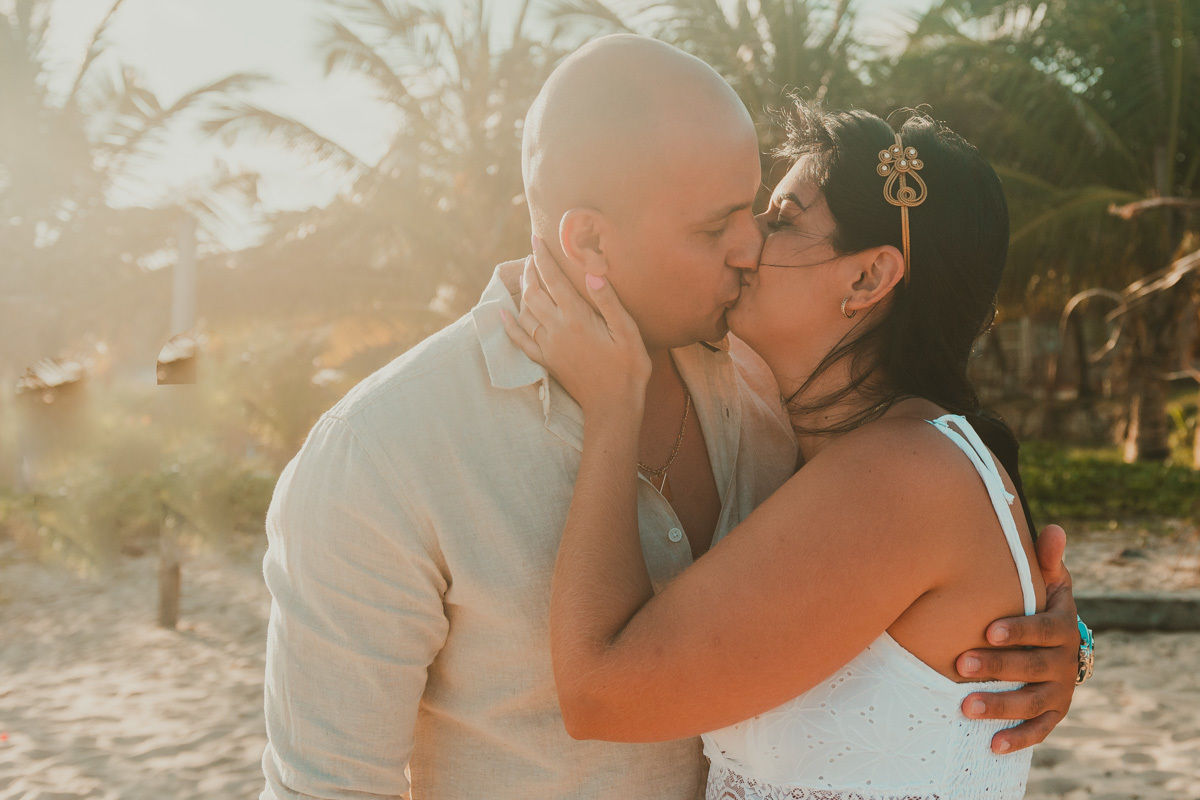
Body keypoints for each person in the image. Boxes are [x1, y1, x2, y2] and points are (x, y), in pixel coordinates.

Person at [260, 35, 1086, 800]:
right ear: (588, 242)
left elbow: (918, 571)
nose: (748, 246)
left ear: (870, 280)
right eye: (715, 224)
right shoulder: (381, 454)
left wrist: (1049, 647)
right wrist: (1048, 644)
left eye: (763, 211)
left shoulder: (774, 394)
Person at [502, 97, 1079, 799]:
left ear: (867, 278)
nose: (743, 244)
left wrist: (614, 406)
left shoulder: (900, 475)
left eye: (780, 221)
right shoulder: (841, 450)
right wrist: (1071, 643)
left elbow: (600, 693)